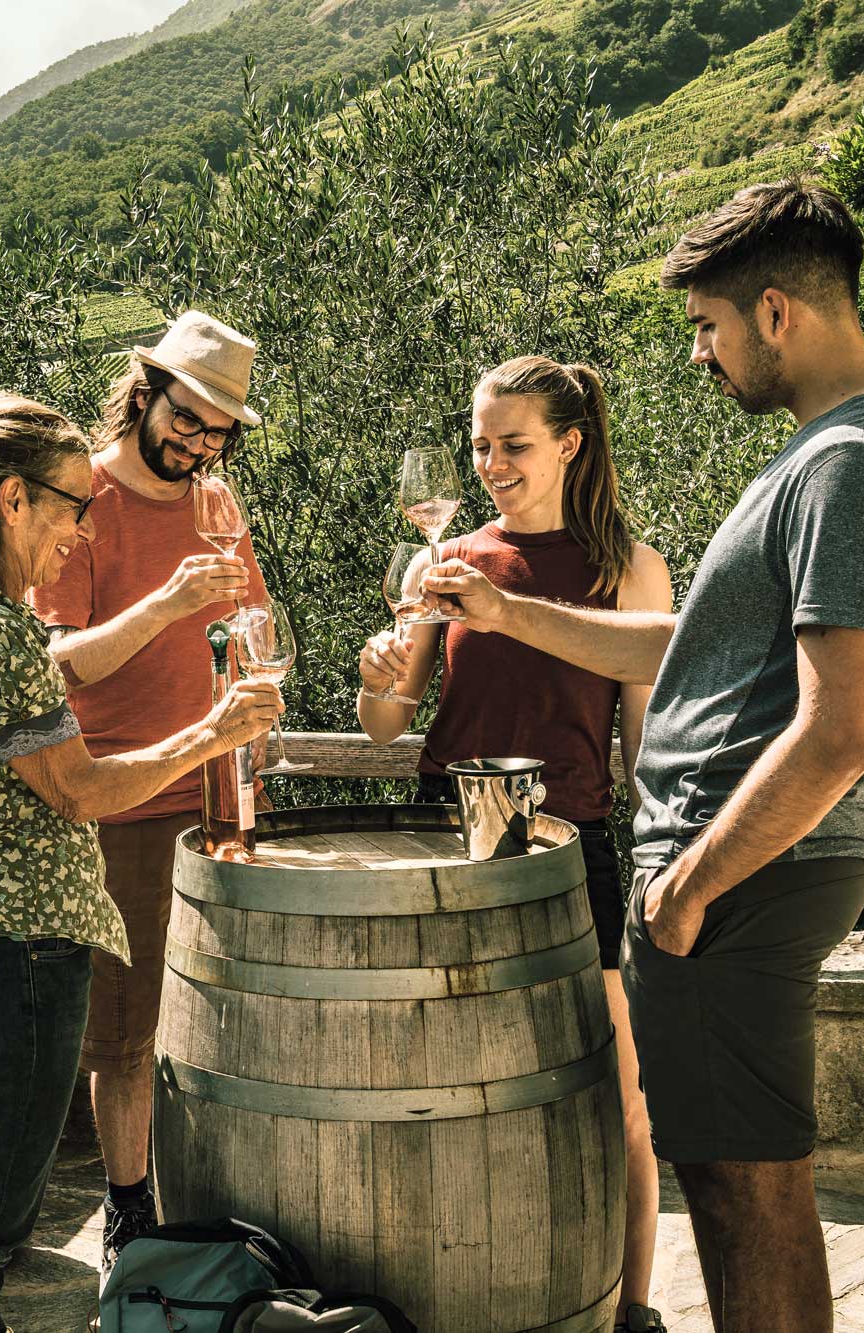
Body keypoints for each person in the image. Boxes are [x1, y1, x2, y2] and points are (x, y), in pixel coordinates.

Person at [422, 180, 864, 1333]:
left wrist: (682, 887)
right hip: (729, 880)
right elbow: (695, 639)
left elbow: (838, 725)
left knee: (742, 1192)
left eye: (706, 326)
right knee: (735, 1178)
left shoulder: (850, 467)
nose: (700, 355)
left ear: (773, 315)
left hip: (734, 883)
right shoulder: (832, 455)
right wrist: (509, 616)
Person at [0, 311, 271, 1273]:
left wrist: (245, 700)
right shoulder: (73, 501)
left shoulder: (216, 504)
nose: (199, 441)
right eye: (188, 417)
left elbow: (248, 618)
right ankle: (128, 1209)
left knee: (202, 1017)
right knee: (117, 1041)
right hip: (111, 798)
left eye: (218, 430)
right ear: (146, 389)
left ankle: (176, 1206)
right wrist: (167, 613)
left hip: (207, 795)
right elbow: (51, 663)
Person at [356, 354, 674, 1332]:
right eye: (479, 444)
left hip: (566, 856)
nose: (489, 463)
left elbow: (645, 755)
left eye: (512, 445)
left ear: (570, 443)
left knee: (618, 1104)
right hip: (439, 849)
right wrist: (374, 672)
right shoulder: (440, 562)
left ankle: (626, 1310)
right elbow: (383, 723)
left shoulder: (628, 567)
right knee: (432, 1092)